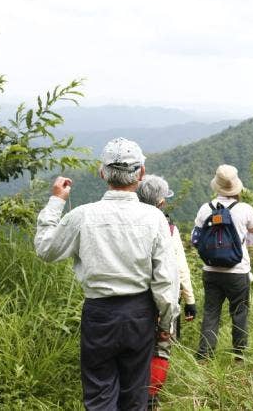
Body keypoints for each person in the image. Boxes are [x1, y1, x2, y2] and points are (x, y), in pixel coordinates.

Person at [34, 138, 179, 410]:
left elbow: (45, 250)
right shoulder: (154, 218)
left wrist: (55, 202)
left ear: (102, 173)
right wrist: (165, 325)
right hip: (140, 313)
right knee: (135, 396)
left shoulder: (82, 216)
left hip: (99, 314)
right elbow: (166, 280)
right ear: (141, 173)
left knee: (100, 395)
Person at [135, 174, 196, 410]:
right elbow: (180, 268)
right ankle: (150, 402)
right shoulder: (169, 228)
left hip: (130, 301)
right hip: (162, 301)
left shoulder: (130, 223)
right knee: (160, 349)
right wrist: (189, 300)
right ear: (161, 202)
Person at [194, 164, 253, 360]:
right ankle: (240, 356)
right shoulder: (245, 209)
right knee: (239, 313)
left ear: (217, 186)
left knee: (211, 313)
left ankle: (204, 356)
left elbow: (195, 239)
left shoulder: (204, 209)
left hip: (210, 270)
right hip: (238, 271)